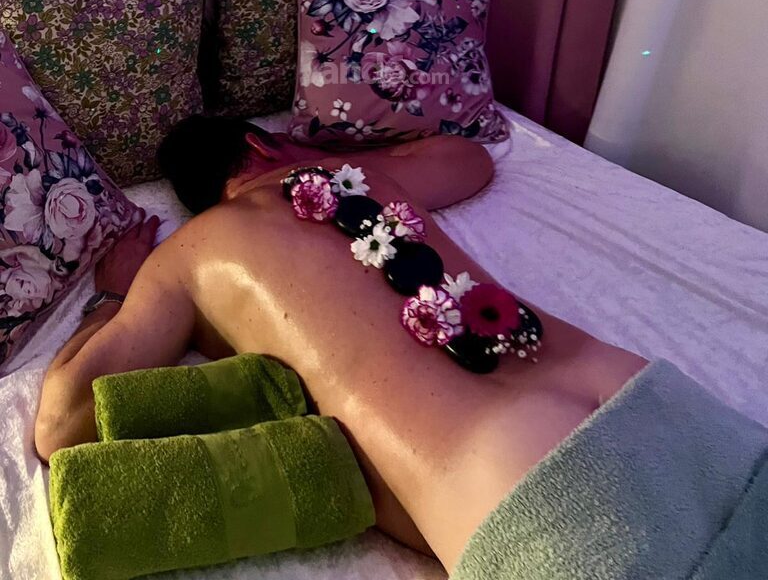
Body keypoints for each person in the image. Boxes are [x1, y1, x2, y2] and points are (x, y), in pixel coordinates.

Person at [35, 117, 766, 578]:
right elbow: (470, 159)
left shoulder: (185, 259)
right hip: (651, 399)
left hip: (520, 485)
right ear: (259, 142)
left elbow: (61, 424)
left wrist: (113, 296)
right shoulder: (360, 179)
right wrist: (324, 147)